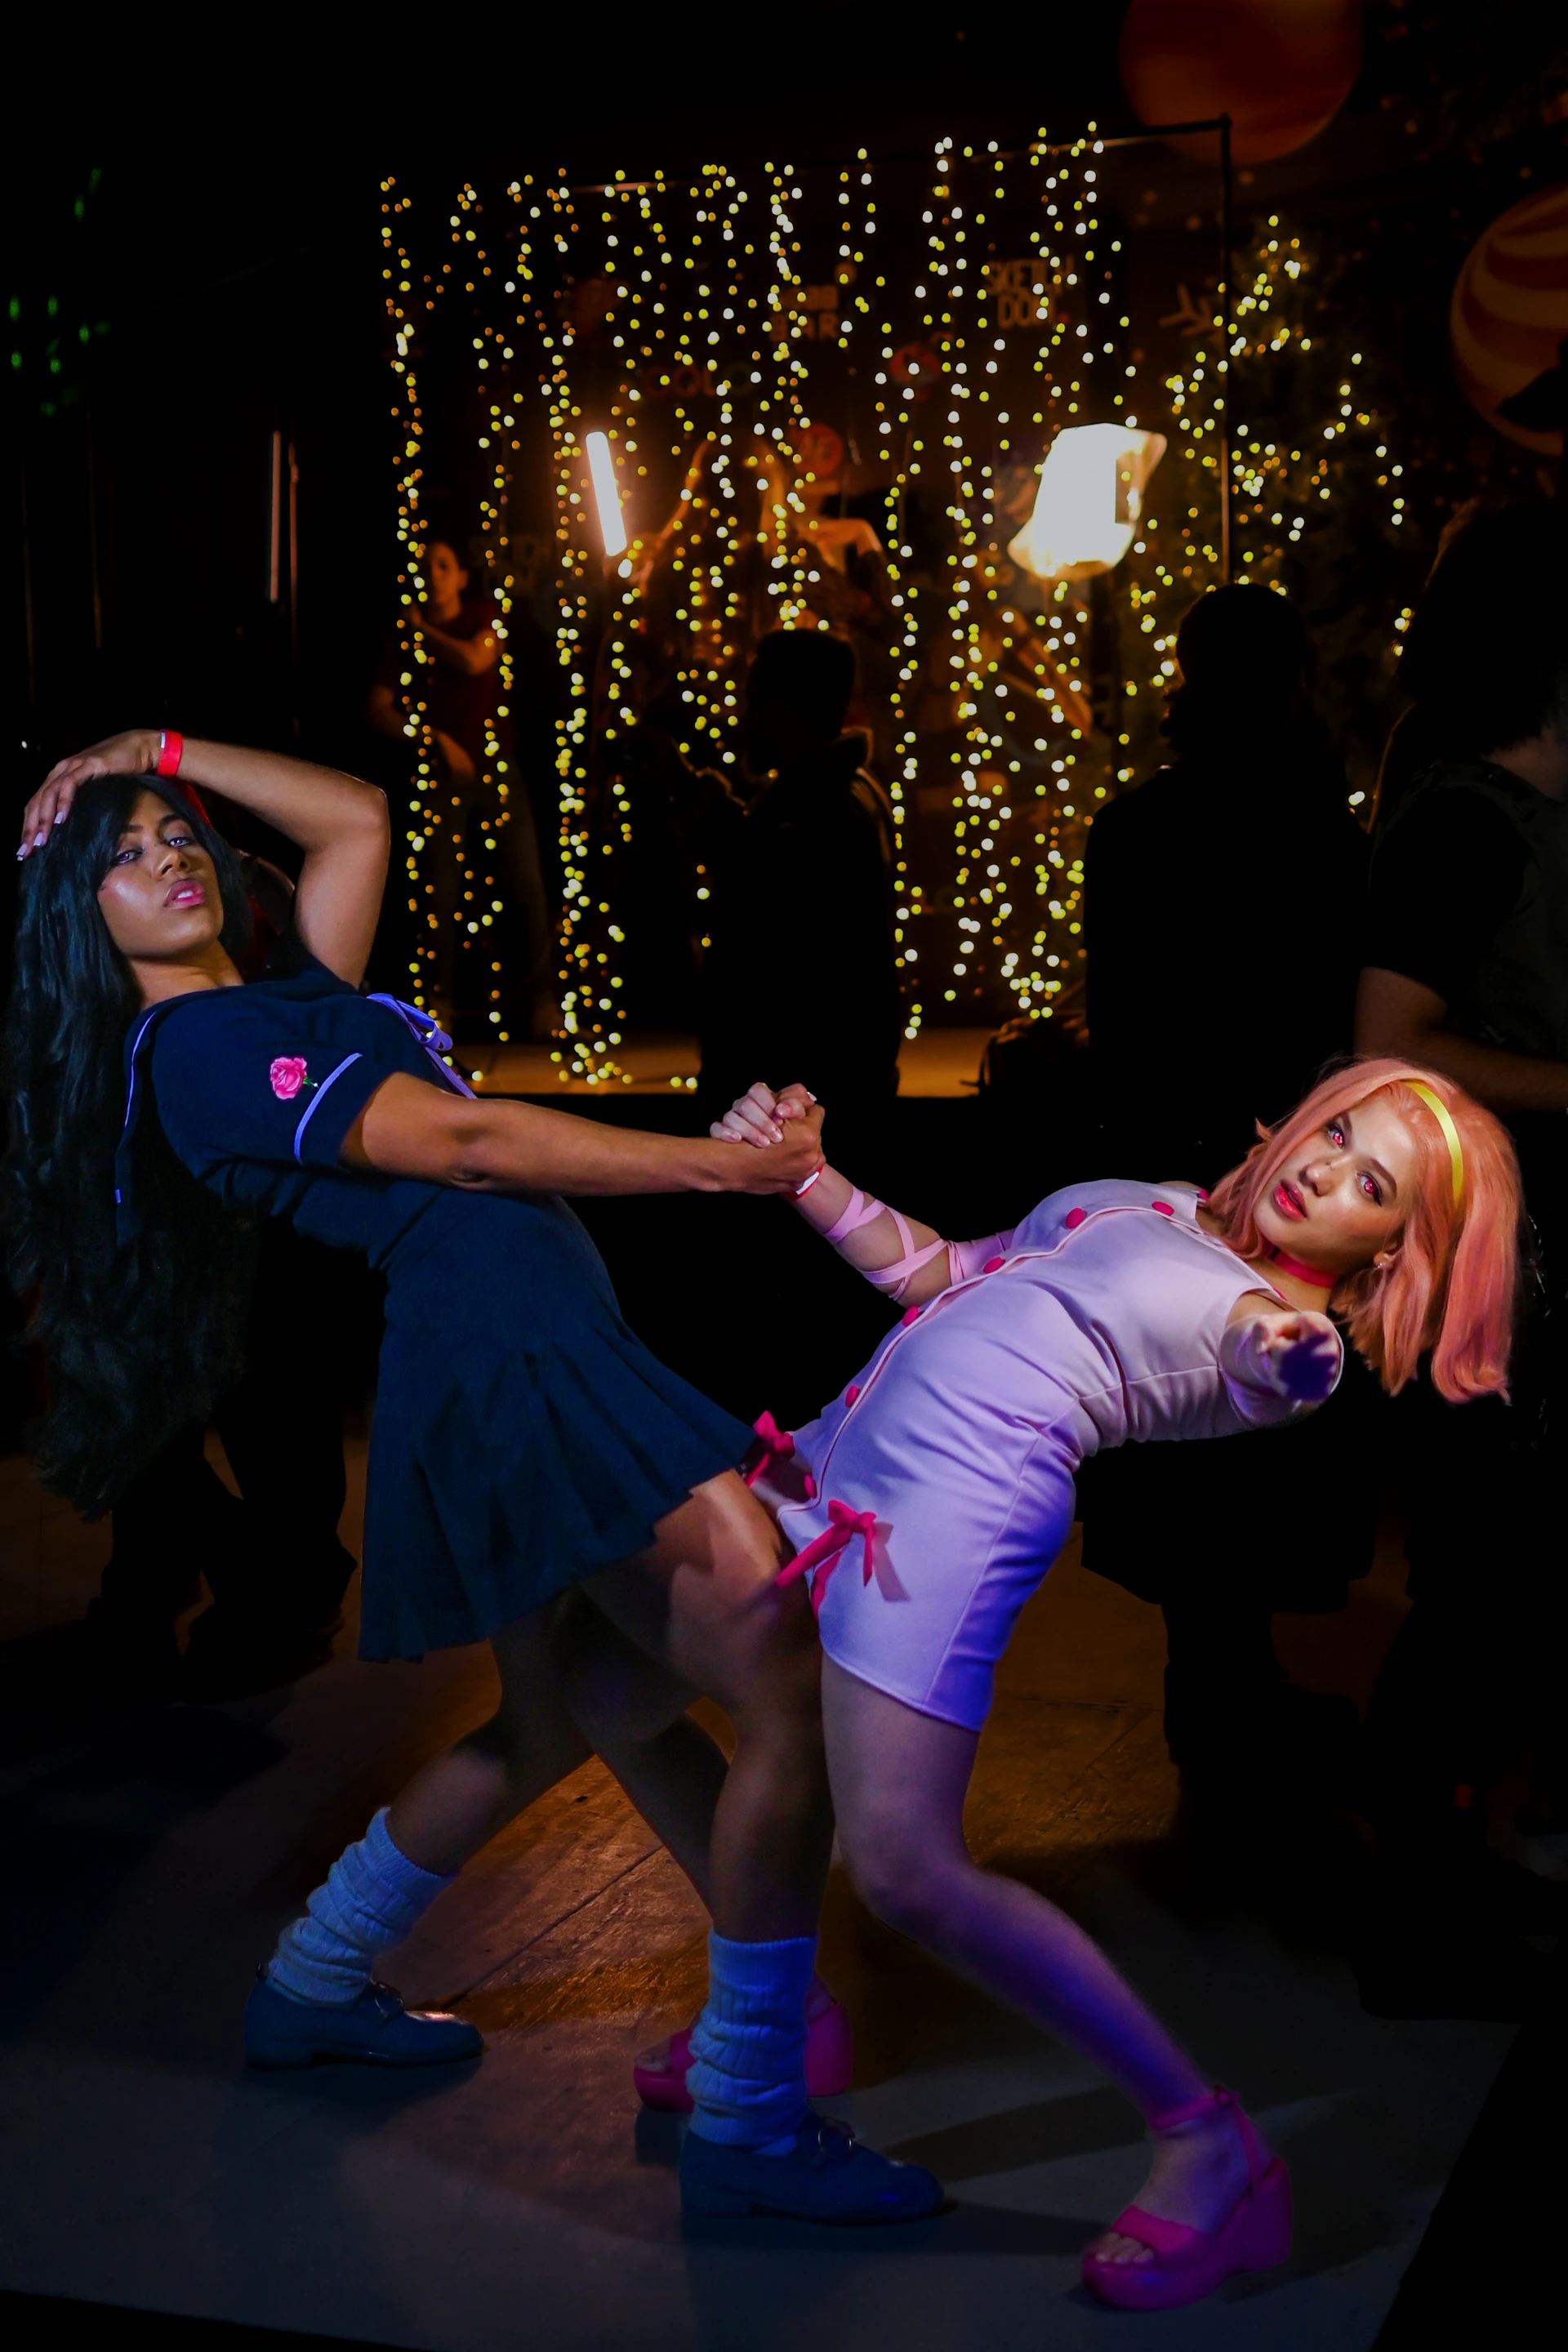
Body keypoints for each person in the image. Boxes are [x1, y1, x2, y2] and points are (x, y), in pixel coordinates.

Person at [7, 729, 938, 2230]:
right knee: (776, 1686)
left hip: (505, 1348)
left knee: (557, 1713)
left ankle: (310, 1983)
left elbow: (357, 816)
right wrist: (731, 1175)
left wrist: (148, 746)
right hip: (517, 1361)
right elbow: (473, 1142)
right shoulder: (203, 1048)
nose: (169, 856)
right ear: (78, 921)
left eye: (175, 831)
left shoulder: (281, 996)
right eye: (120, 854)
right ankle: (754, 2111)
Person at [704, 1059, 1520, 2308]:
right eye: (1340, 1133)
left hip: (941, 1532)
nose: (1323, 1169)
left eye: (1371, 1186)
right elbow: (946, 1276)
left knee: (907, 1870)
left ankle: (1211, 2146)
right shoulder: (1158, 1203)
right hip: (832, 1463)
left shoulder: (1262, 1317)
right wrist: (810, 1175)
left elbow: (1262, 1355)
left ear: (1392, 1252)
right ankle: (765, 2025)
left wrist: (1293, 1349)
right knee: (626, 1669)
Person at [1081, 585, 1372, 1791]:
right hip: (1289, 1173)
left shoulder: (1135, 825)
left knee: (1187, 1425)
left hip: (1166, 1163)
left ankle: (1214, 1688)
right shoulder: (1324, 831)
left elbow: (1123, 1010)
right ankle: (1231, 1691)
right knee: (1261, 1426)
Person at [1355, 500, 1568, 2017]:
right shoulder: (1463, 817)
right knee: (1482, 1584)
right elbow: (1387, 1042)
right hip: (1495, 1261)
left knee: (1513, 1584)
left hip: (1538, 1252)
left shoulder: (1525, 816)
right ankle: (1413, 1912)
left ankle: (1456, 1874)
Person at [628, 628, 902, 1118]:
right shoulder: (839, 792)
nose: (745, 716)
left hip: (804, 1093)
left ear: (785, 710)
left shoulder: (825, 807)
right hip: (826, 1082)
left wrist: (689, 790)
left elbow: (763, 875)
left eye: (755, 701)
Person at [367, 536, 555, 1041]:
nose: (434, 573)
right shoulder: (399, 637)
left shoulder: (480, 616)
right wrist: (430, 738)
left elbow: (476, 661)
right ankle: (437, 1005)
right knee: (439, 893)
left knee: (526, 886)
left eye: (444, 564)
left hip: (498, 769)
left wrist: (422, 629)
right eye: (426, 565)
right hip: (440, 778)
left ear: (461, 577)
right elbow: (378, 709)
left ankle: (541, 1005)